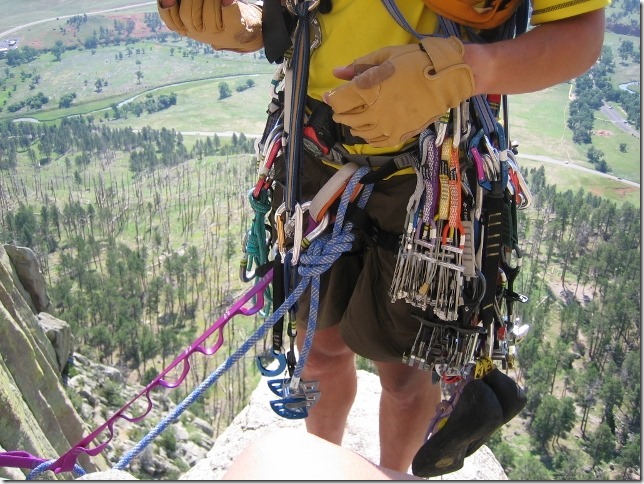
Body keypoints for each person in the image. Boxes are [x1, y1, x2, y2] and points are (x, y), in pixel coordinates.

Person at [157, 0, 607, 476]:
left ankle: (393, 474)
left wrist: (468, 70)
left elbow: (579, 34)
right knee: (317, 350)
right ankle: (321, 463)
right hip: (313, 148)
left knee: (405, 370)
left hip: (433, 168)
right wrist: (256, 20)